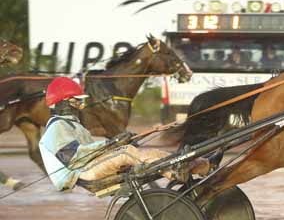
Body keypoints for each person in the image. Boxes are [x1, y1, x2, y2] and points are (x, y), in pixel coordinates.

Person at [38, 77, 208, 191]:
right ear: (63, 103)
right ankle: (175, 172)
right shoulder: (57, 128)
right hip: (81, 173)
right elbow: (75, 157)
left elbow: (89, 151)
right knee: (127, 151)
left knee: (143, 151)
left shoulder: (71, 124)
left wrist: (115, 143)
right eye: (77, 101)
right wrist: (112, 143)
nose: (81, 104)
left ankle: (199, 165)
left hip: (87, 167)